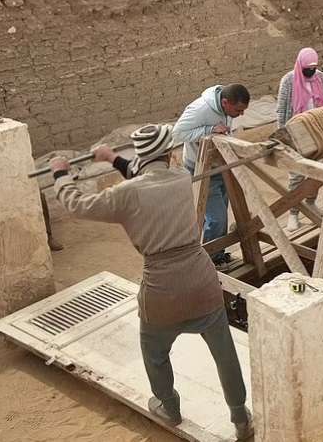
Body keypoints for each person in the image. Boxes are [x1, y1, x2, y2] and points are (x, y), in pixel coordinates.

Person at [48, 125, 251, 440]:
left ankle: (168, 405)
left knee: (154, 350)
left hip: (161, 287)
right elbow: (146, 177)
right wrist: (113, 158)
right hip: (201, 279)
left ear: (140, 155)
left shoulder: (127, 195)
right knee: (224, 351)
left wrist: (61, 174)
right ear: (170, 155)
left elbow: (78, 205)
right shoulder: (182, 178)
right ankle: (240, 417)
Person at [173, 84, 250, 268]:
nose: (241, 115)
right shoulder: (200, 110)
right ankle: (208, 260)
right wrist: (208, 130)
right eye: (238, 110)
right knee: (217, 218)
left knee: (221, 211)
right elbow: (178, 133)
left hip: (220, 165)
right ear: (225, 102)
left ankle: (217, 253)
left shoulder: (226, 108)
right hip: (201, 168)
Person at [276, 48, 323, 232]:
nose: (311, 70)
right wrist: (283, 136)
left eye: (314, 67)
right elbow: (282, 109)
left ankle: (310, 202)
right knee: (296, 173)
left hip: (316, 131)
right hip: (295, 132)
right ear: (301, 65)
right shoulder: (289, 80)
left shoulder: (320, 78)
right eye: (308, 67)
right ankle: (293, 213)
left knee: (315, 170)